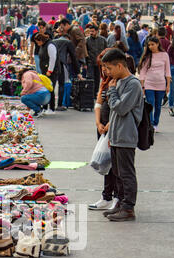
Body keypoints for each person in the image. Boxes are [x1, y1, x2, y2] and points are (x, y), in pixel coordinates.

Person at [99, 48, 144, 221]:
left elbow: (121, 108)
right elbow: (113, 113)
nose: (107, 73)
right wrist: (111, 135)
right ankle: (120, 203)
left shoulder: (132, 84)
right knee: (117, 172)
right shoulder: (118, 82)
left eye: (109, 68)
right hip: (117, 135)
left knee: (126, 173)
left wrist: (111, 91)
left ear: (119, 65)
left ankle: (128, 208)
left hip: (127, 135)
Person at [88, 49, 119, 212]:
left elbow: (120, 107)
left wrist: (109, 124)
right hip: (103, 128)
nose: (104, 70)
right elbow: (98, 102)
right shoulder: (105, 81)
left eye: (106, 67)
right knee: (106, 163)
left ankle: (115, 198)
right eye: (102, 67)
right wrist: (98, 122)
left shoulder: (120, 81)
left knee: (115, 165)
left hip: (113, 128)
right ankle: (107, 196)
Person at [138, 36, 171, 131]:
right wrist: (142, 85)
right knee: (150, 104)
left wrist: (168, 85)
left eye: (153, 44)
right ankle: (151, 124)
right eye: (149, 45)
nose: (151, 46)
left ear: (157, 44)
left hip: (161, 84)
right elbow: (143, 71)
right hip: (149, 84)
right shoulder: (147, 56)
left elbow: (167, 71)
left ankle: (156, 123)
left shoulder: (164, 55)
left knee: (158, 105)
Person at [53, 33, 83, 110]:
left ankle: (49, 105)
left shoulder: (54, 41)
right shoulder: (68, 42)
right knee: (61, 84)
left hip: (52, 64)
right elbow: (73, 57)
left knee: (51, 84)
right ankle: (59, 105)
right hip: (61, 63)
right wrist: (78, 72)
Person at [35, 33, 59, 115]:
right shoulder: (43, 45)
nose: (38, 44)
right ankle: (45, 107)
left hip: (51, 71)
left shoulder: (50, 45)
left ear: (41, 40)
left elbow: (53, 58)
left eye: (38, 42)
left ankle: (51, 108)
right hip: (45, 71)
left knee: (50, 88)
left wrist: (50, 70)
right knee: (45, 89)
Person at [86, 25, 107, 98]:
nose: (91, 33)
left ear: (97, 31)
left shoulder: (103, 40)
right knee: (90, 78)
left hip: (99, 63)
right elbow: (85, 52)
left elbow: (106, 50)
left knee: (98, 78)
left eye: (92, 31)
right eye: (90, 31)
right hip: (90, 62)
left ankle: (95, 93)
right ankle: (90, 93)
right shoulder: (87, 40)